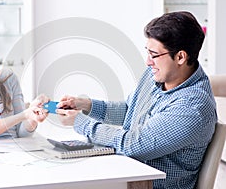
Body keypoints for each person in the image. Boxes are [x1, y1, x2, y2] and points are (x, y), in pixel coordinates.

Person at [56, 11, 217, 188]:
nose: (148, 62)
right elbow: (130, 110)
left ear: (180, 57)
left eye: (154, 55)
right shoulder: (156, 75)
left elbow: (133, 145)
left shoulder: (192, 107)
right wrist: (86, 105)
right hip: (126, 173)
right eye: (147, 52)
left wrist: (80, 123)